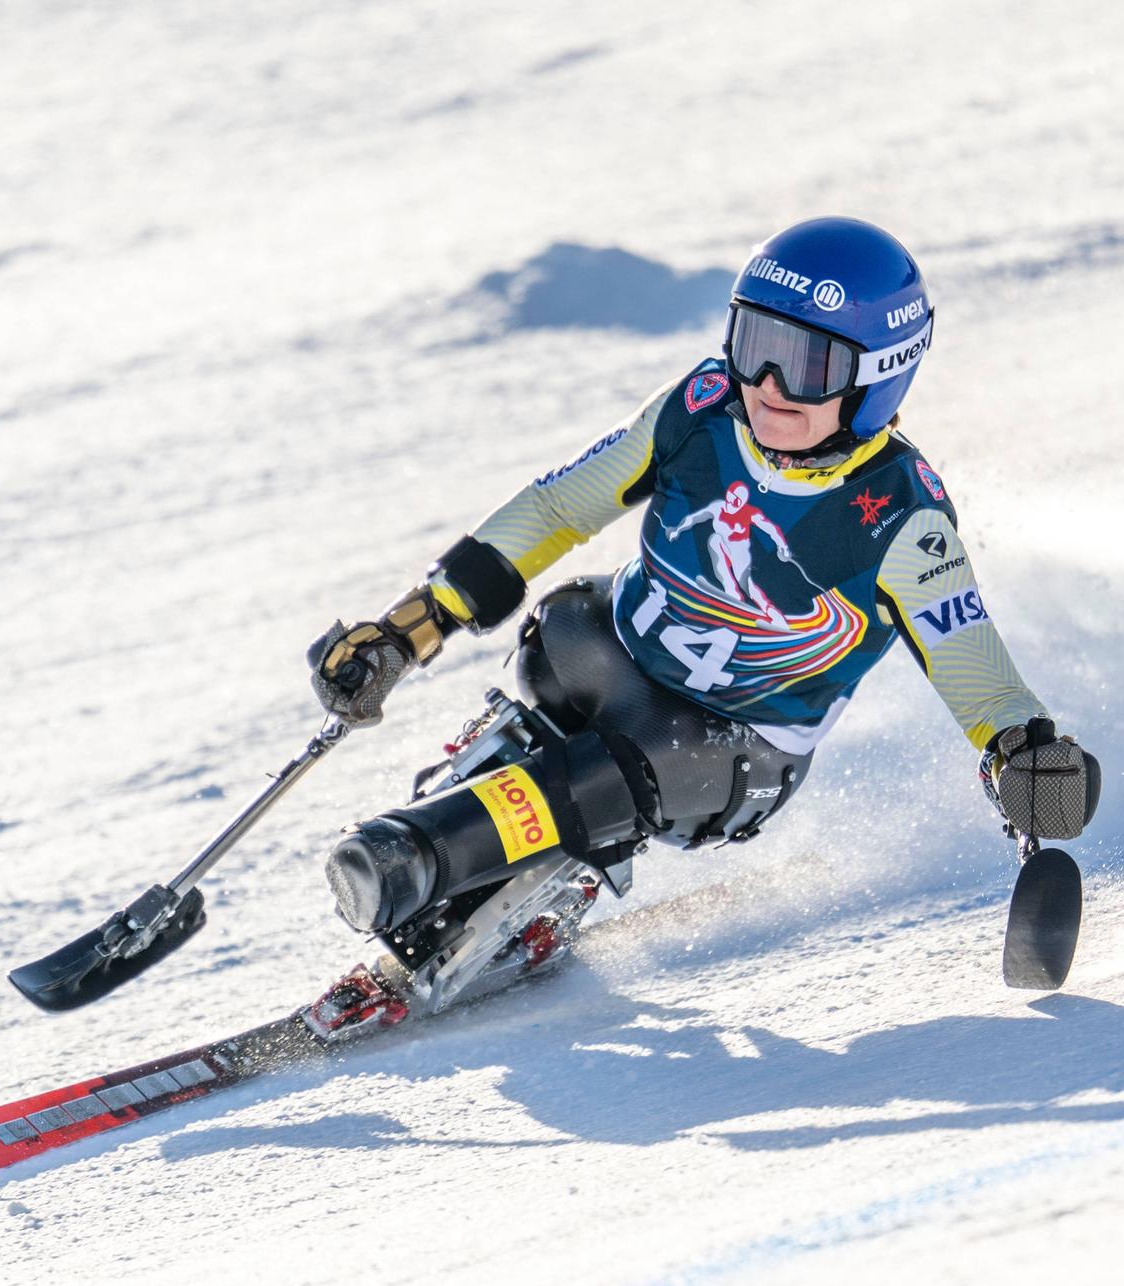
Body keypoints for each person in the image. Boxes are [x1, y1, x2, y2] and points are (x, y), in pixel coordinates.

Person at [306, 216, 1098, 993]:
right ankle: (488, 800)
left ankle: (412, 857)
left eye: (808, 366)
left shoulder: (901, 518)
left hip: (729, 747)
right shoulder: (703, 408)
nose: (770, 388)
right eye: (757, 348)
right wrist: (415, 624)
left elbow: (972, 665)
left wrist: (1025, 754)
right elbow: (558, 509)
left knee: (625, 766)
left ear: (876, 375)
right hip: (614, 644)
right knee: (555, 632)